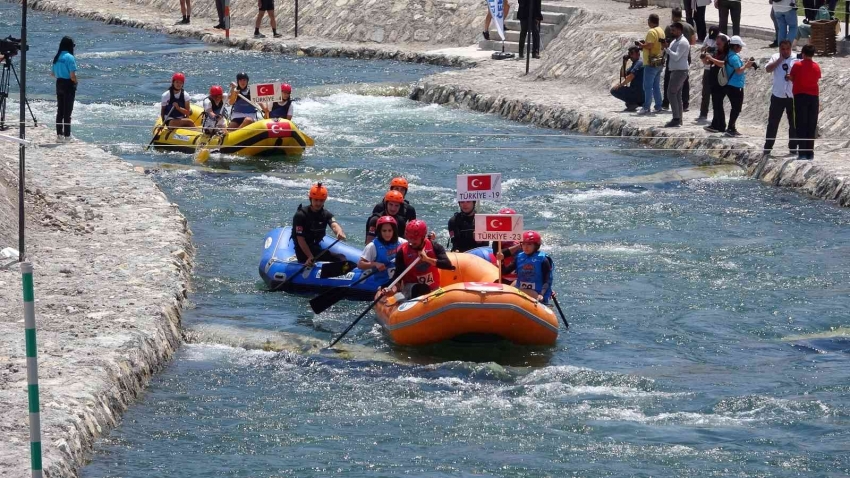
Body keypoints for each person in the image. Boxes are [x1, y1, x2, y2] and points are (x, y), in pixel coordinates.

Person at [381, 220, 456, 300]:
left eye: (415, 239)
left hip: (433, 289)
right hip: (411, 288)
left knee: (430, 291)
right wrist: (391, 291)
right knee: (422, 289)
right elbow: (398, 278)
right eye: (409, 238)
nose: (411, 241)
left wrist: (427, 259)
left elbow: (448, 265)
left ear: (423, 237)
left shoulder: (435, 246)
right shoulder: (402, 252)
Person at [704, 35, 753, 137]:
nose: (741, 48)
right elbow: (739, 71)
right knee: (736, 108)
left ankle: (730, 127)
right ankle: (731, 128)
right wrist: (747, 65)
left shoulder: (729, 55)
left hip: (730, 85)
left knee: (733, 107)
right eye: (740, 46)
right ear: (735, 47)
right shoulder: (734, 57)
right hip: (736, 85)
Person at [291, 182, 347, 266]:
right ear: (310, 199)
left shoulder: (325, 214)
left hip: (315, 248)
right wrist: (310, 256)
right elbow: (300, 239)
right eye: (316, 200)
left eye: (321, 200)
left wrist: (339, 232)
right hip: (302, 251)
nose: (318, 203)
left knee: (341, 258)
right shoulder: (301, 215)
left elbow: (334, 224)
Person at [496, 230, 555, 305]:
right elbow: (505, 271)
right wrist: (501, 260)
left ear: (536, 245)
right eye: (523, 244)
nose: (525, 247)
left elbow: (547, 280)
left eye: (529, 244)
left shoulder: (543, 259)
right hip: (521, 291)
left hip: (537, 293)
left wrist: (542, 294)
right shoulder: (519, 257)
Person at [763, 40, 799, 155]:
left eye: (787, 49)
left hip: (792, 96)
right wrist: (779, 60)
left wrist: (792, 78)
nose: (785, 51)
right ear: (779, 49)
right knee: (773, 123)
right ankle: (768, 148)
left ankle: (793, 148)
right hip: (778, 96)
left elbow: (801, 76)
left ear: (790, 48)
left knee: (793, 124)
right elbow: (768, 69)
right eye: (782, 49)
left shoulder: (797, 58)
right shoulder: (775, 57)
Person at [789, 44, 821, 160]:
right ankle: (810, 153)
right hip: (814, 98)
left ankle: (802, 153)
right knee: (811, 125)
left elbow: (792, 77)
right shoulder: (816, 66)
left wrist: (789, 77)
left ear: (803, 53)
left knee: (801, 124)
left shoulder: (797, 65)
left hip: (800, 96)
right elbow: (816, 78)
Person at [662, 8, 695, 112]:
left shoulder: (669, 27)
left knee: (669, 79)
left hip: (673, 56)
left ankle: (666, 103)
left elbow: (665, 41)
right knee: (684, 80)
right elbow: (693, 42)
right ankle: (685, 104)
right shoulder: (689, 26)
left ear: (673, 15)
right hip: (686, 56)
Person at [358, 215, 407, 282]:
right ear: (380, 231)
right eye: (384, 231)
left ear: (394, 231)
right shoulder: (372, 246)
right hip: (382, 281)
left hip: (398, 279)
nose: (387, 234)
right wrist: (375, 264)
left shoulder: (401, 242)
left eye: (390, 230)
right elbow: (360, 264)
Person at [663, 22, 691, 128]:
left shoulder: (683, 42)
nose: (672, 32)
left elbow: (676, 57)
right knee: (677, 95)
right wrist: (665, 48)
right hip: (675, 71)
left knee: (671, 94)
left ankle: (676, 119)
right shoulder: (675, 40)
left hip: (680, 71)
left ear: (679, 30)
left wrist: (668, 49)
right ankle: (679, 119)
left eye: (673, 30)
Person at [638, 13, 666, 115]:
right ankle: (658, 106)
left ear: (650, 21)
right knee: (656, 86)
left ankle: (646, 107)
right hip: (659, 61)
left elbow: (649, 45)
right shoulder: (661, 31)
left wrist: (641, 45)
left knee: (647, 86)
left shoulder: (651, 32)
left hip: (651, 63)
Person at [50, 36, 77, 143]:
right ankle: (67, 135)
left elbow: (52, 74)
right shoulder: (70, 57)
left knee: (60, 110)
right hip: (68, 84)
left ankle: (59, 135)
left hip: (59, 83)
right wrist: (75, 82)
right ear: (70, 46)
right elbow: (72, 75)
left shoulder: (57, 57)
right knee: (68, 111)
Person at [703, 33, 729, 133]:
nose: (717, 45)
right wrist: (704, 57)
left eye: (719, 44)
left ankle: (721, 125)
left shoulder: (727, 53)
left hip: (721, 82)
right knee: (716, 104)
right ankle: (715, 124)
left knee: (718, 104)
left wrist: (712, 58)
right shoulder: (716, 52)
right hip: (714, 81)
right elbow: (708, 63)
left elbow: (723, 64)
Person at [610, 46, 645, 112]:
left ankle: (633, 103)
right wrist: (624, 62)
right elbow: (623, 74)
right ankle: (633, 103)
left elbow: (631, 76)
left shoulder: (639, 63)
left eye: (632, 53)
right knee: (617, 88)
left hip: (638, 93)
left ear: (638, 53)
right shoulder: (635, 63)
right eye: (629, 54)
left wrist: (620, 85)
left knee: (614, 90)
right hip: (637, 92)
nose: (630, 56)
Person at [697, 26, 720, 122]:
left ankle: (717, 115)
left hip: (717, 68)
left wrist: (714, 50)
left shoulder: (723, 39)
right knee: (705, 92)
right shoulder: (708, 37)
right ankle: (703, 113)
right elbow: (702, 48)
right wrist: (705, 49)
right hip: (707, 68)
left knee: (717, 94)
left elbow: (722, 52)